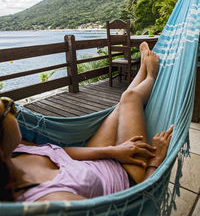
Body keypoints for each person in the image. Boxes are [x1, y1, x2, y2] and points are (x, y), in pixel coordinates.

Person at [0, 42, 173, 202]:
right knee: (130, 97)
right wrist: (155, 161)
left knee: (122, 103)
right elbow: (133, 207)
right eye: (8, 107)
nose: (12, 105)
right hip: (126, 176)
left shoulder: (15, 149)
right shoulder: (52, 202)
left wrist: (112, 151)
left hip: (98, 156)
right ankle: (151, 76)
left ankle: (143, 69)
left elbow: (60, 153)